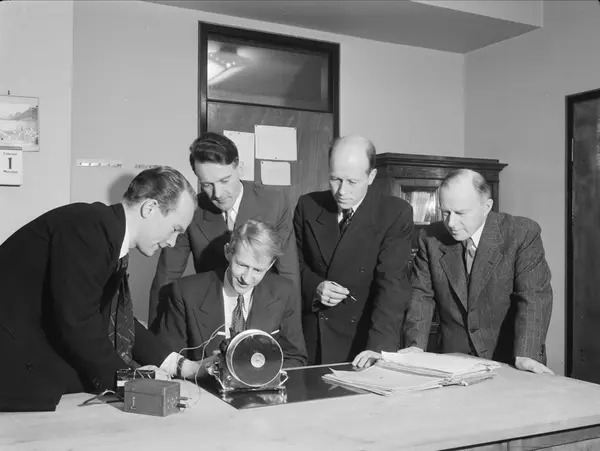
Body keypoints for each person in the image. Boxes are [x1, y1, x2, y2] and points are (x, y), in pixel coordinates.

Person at [0, 166, 208, 412]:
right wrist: (131, 381)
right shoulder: (89, 228)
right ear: (150, 208)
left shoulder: (104, 232)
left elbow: (116, 319)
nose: (172, 242)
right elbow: (78, 323)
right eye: (175, 229)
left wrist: (183, 366)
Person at [354, 169, 554, 374]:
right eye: (445, 212)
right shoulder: (430, 238)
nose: (451, 223)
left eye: (461, 213)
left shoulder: (521, 233)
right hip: (454, 360)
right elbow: (421, 295)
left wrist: (527, 354)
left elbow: (534, 296)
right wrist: (415, 346)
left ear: (487, 207)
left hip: (510, 359)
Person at [148, 132, 300, 325]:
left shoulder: (274, 203)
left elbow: (288, 275)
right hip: (209, 318)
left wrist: (292, 329)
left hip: (264, 314)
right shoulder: (190, 211)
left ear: (239, 169)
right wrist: (156, 336)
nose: (218, 194)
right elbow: (167, 276)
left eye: (224, 181)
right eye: (207, 185)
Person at [294, 135, 414, 365]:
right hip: (314, 338)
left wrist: (378, 349)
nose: (342, 191)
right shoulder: (308, 206)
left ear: (371, 176)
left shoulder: (394, 213)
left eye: (352, 182)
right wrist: (315, 286)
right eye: (335, 179)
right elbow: (293, 265)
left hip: (364, 338)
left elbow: (392, 287)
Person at [151, 219, 307, 369]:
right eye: (242, 265)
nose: (246, 278)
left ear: (270, 265)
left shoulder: (284, 292)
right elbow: (169, 361)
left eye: (258, 270)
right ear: (228, 252)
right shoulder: (186, 293)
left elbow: (295, 358)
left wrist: (260, 377)